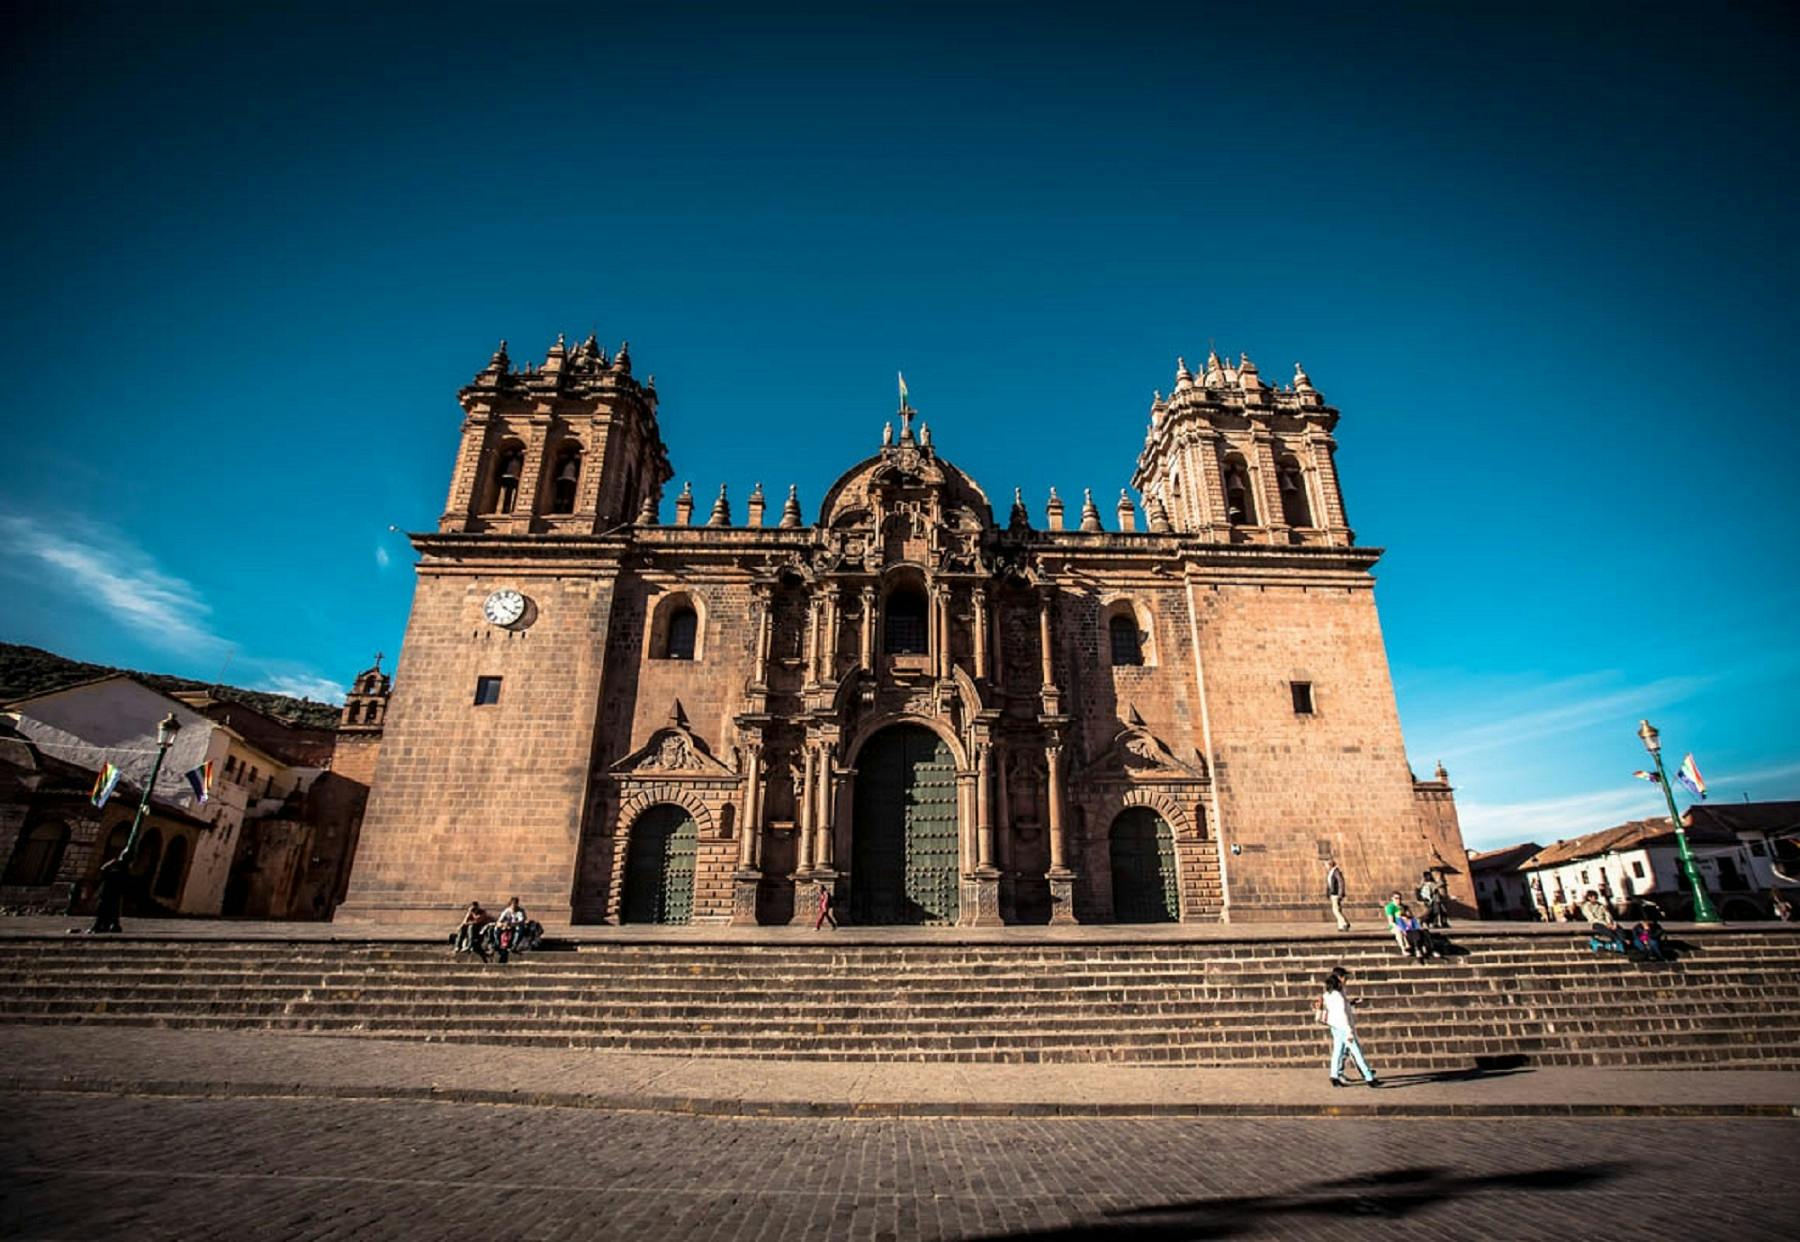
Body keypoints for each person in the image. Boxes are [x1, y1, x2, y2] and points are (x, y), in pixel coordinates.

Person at [1317, 973, 1378, 1088]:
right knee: (1356, 1052)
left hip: (1334, 1027)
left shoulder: (1326, 995)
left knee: (1337, 1052)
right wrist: (1349, 1031)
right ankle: (1369, 1077)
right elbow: (1343, 1015)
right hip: (1343, 1028)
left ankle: (1334, 1076)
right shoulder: (1338, 996)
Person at [88, 854, 128, 934]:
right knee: (113, 912)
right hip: (113, 895)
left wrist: (107, 865)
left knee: (103, 911)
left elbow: (101, 871)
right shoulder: (121, 873)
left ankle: (100, 926)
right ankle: (112, 926)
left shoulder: (110, 873)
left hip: (107, 895)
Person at [493, 896, 540, 962]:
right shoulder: (507, 910)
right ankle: (497, 943)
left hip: (516, 926)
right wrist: (502, 924)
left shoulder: (520, 911)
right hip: (507, 926)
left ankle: (514, 945)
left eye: (515, 904)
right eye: (513, 905)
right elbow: (499, 920)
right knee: (496, 929)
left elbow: (521, 921)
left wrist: (512, 923)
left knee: (519, 930)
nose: (514, 907)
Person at [1325, 859, 1350, 931]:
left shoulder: (1336, 872)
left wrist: (1340, 894)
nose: (1326, 867)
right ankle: (1341, 926)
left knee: (1335, 910)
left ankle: (1345, 923)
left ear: (1330, 865)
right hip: (1333, 893)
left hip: (1336, 894)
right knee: (1338, 909)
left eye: (1326, 865)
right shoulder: (1331, 872)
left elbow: (1341, 882)